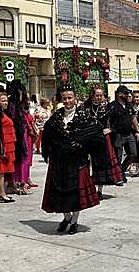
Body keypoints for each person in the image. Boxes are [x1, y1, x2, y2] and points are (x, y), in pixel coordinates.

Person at [41, 85, 103, 234]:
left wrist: (81, 146)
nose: (67, 101)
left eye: (70, 98)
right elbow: (47, 135)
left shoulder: (85, 116)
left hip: (78, 161)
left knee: (75, 194)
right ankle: (66, 217)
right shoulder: (55, 117)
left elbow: (96, 135)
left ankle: (74, 221)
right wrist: (51, 150)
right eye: (65, 98)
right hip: (59, 161)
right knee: (60, 192)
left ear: (75, 99)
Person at [82, 86, 123, 197]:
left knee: (100, 165)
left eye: (101, 95)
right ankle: (86, 189)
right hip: (88, 139)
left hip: (102, 140)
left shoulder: (107, 108)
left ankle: (99, 190)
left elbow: (119, 120)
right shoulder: (84, 107)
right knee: (86, 164)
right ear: (92, 95)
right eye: (97, 95)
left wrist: (111, 129)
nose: (99, 98)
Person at [109, 85, 138, 184]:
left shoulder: (129, 105)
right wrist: (109, 130)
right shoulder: (112, 106)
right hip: (118, 134)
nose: (128, 95)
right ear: (119, 94)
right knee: (118, 156)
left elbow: (133, 118)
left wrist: (137, 131)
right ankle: (118, 177)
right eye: (125, 93)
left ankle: (121, 170)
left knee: (133, 153)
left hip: (129, 133)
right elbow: (107, 120)